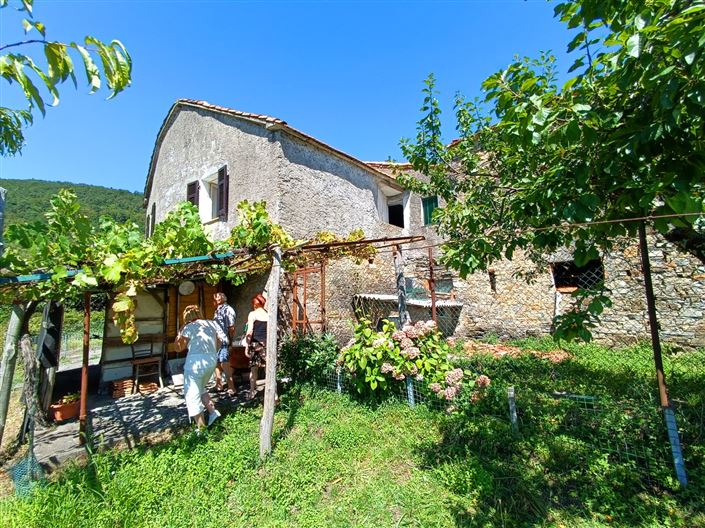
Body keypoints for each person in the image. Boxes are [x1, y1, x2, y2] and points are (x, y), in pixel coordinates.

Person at [175, 305, 227, 429]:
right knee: (200, 388)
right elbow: (221, 340)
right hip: (211, 360)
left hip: (195, 364)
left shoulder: (188, 327)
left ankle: (201, 428)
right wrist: (212, 351)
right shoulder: (211, 324)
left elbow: (178, 348)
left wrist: (179, 334)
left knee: (192, 394)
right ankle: (213, 412)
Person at [244, 293, 268, 400]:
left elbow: (250, 331)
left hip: (255, 344)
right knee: (269, 369)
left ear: (255, 305)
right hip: (267, 345)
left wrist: (247, 345)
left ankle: (252, 392)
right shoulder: (268, 315)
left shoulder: (252, 314)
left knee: (253, 370)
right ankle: (272, 393)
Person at [212, 292, 236, 396]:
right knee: (216, 362)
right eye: (215, 297)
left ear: (224, 298)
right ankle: (219, 385)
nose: (217, 298)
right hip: (217, 340)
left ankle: (231, 387)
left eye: (219, 296)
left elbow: (231, 327)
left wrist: (230, 339)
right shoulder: (218, 309)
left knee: (224, 362)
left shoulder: (228, 310)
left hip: (224, 339)